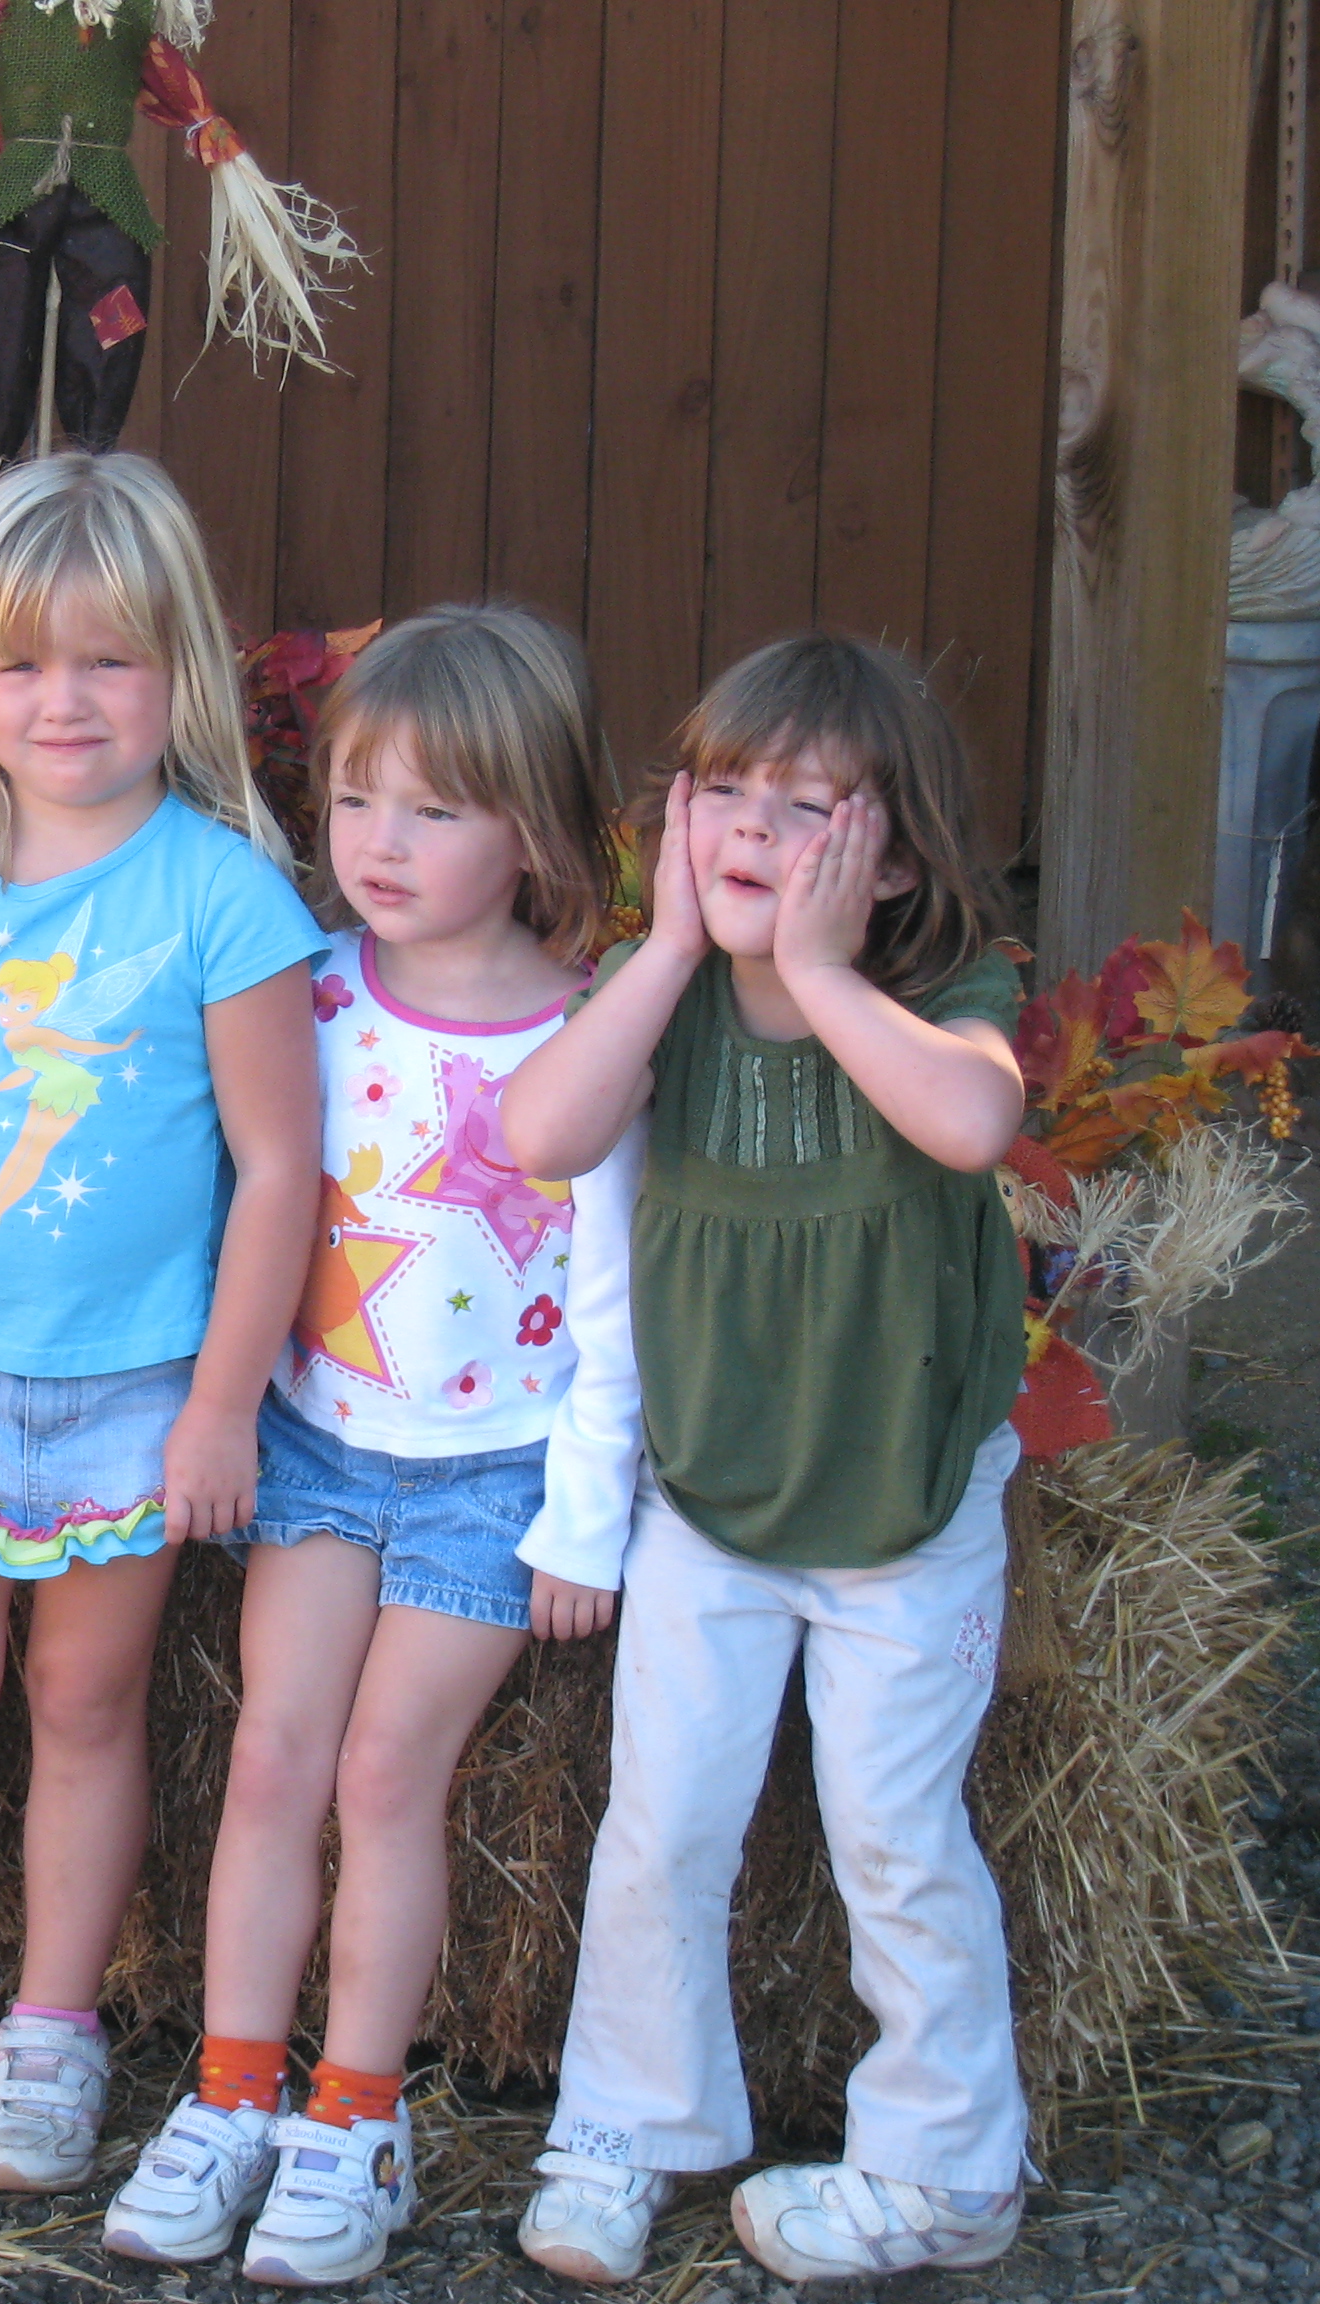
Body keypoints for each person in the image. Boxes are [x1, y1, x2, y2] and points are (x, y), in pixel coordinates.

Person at [0, 450, 325, 2192]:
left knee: (89, 1704)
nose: (63, 701)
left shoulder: (219, 898)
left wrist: (222, 1406)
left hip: (134, 1393)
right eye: (20, 664)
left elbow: (277, 1168)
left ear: (181, 671)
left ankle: (53, 2023)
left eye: (109, 661)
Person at [97, 604, 643, 2280]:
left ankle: (357, 2120)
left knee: (389, 1773)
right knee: (274, 1755)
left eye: (434, 809)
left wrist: (585, 1516)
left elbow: (617, 1303)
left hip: (495, 1475)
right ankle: (231, 2092)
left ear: (534, 828)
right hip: (321, 1445)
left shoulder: (586, 1041)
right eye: (354, 800)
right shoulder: (312, 993)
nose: (379, 844)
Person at [497, 636, 1032, 2287]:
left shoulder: (942, 997)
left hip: (906, 1514)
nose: (746, 826)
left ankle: (944, 2174)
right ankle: (631, 2125)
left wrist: (822, 971)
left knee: (896, 1839)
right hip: (710, 1509)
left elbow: (974, 1124)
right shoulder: (664, 997)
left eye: (806, 807)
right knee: (663, 1824)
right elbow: (541, 1134)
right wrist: (668, 947)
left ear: (896, 859)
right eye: (720, 788)